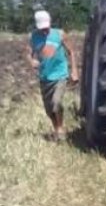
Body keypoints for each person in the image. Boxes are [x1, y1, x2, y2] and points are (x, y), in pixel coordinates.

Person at [28, 10, 79, 141]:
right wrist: (31, 60)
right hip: (44, 76)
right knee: (49, 108)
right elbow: (29, 52)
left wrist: (74, 71)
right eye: (42, 28)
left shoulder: (60, 34)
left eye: (46, 27)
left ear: (50, 23)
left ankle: (61, 127)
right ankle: (56, 128)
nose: (44, 31)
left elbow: (71, 51)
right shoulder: (34, 36)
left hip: (60, 75)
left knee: (56, 102)